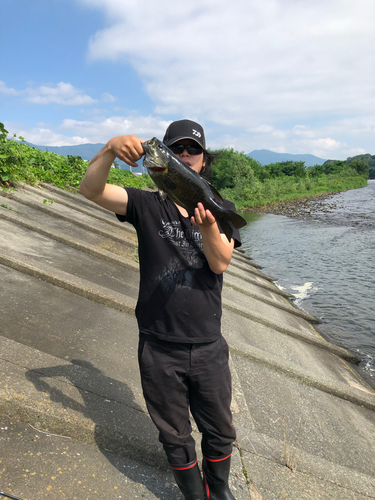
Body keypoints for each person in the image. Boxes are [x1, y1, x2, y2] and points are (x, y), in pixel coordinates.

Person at [79, 119, 241, 500]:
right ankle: (194, 495)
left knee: (220, 430)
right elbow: (91, 189)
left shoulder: (221, 208)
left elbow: (220, 264)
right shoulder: (147, 203)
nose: (186, 156)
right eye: (177, 150)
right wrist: (109, 149)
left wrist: (207, 229)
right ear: (166, 158)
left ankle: (218, 492)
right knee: (174, 432)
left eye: (193, 151)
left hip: (207, 345)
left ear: (203, 161)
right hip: (158, 344)